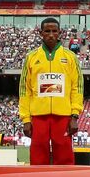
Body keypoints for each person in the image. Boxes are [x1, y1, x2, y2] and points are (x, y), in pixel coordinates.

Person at [18, 17, 84, 165]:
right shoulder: (31, 57)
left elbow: (77, 88)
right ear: (41, 33)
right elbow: (24, 90)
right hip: (38, 115)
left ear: (59, 32)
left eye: (54, 31)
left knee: (64, 154)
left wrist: (75, 115)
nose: (51, 34)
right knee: (38, 154)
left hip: (63, 115)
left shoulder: (71, 57)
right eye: (47, 31)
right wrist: (26, 119)